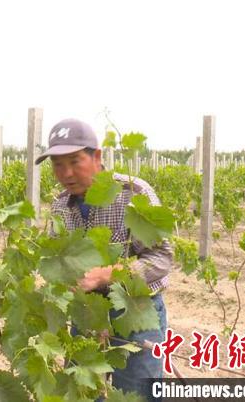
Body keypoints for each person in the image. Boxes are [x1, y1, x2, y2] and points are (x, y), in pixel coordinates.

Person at [35, 118, 171, 402]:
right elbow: (60, 264)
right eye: (58, 164)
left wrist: (107, 274)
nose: (66, 173)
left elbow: (161, 258)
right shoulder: (60, 205)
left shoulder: (133, 193)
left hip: (136, 313)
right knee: (83, 394)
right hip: (86, 313)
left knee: (136, 396)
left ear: (97, 156)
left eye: (75, 161)